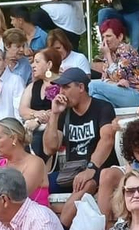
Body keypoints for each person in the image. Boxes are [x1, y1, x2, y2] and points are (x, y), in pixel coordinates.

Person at [41, 67, 120, 204]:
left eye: (66, 87)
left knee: (85, 185)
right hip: (72, 171)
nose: (61, 92)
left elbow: (107, 139)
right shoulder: (64, 112)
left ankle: (63, 224)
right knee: (38, 184)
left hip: (98, 169)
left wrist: (91, 168)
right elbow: (49, 149)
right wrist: (54, 115)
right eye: (60, 87)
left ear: (81, 87)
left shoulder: (102, 107)